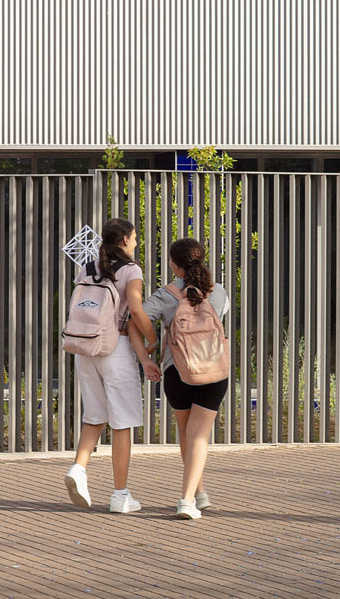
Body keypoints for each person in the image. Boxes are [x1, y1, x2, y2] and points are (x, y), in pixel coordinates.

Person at [63, 218, 157, 514]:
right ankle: (120, 495)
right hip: (114, 348)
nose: (137, 242)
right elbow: (136, 308)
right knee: (122, 421)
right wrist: (152, 339)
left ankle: (79, 468)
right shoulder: (131, 269)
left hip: (84, 348)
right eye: (135, 237)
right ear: (126, 239)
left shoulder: (88, 268)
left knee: (95, 414)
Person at [141, 237, 230, 520]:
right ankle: (189, 498)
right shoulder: (219, 293)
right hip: (213, 371)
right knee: (200, 435)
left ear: (174, 264)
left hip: (177, 371)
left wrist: (151, 346)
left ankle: (197, 495)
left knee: (186, 433)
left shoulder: (165, 295)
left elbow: (137, 318)